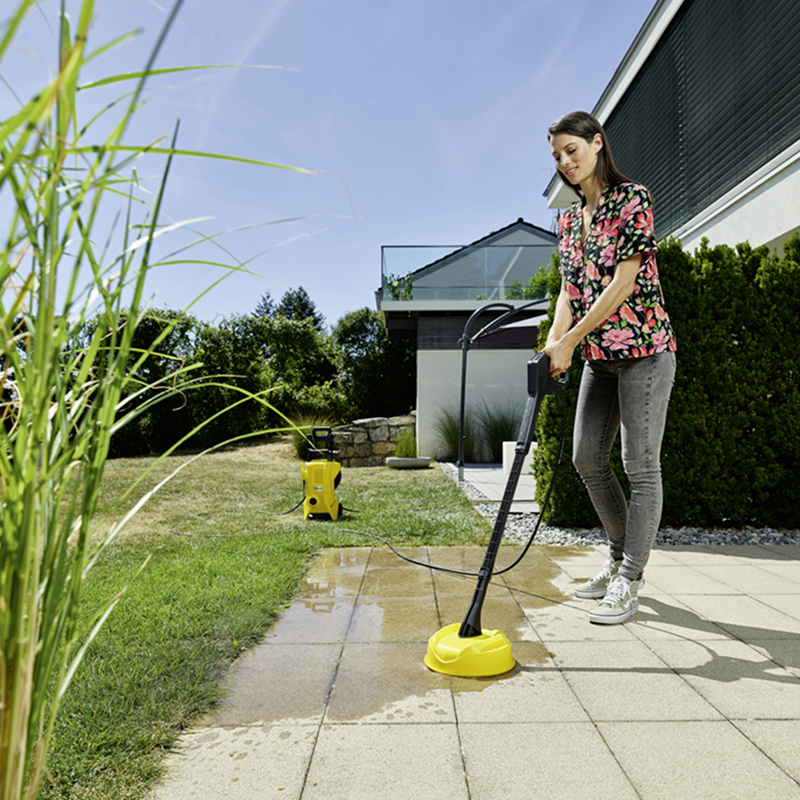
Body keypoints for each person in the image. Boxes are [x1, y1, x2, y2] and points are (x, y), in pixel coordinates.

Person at [543, 111, 677, 624]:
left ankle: (630, 579)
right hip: (601, 358)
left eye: (572, 150)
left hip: (646, 350)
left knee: (641, 467)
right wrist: (556, 342)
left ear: (597, 144)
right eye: (557, 156)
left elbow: (624, 282)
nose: (565, 162)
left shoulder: (632, 199)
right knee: (586, 459)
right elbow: (568, 290)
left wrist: (571, 341)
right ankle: (618, 559)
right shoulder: (568, 220)